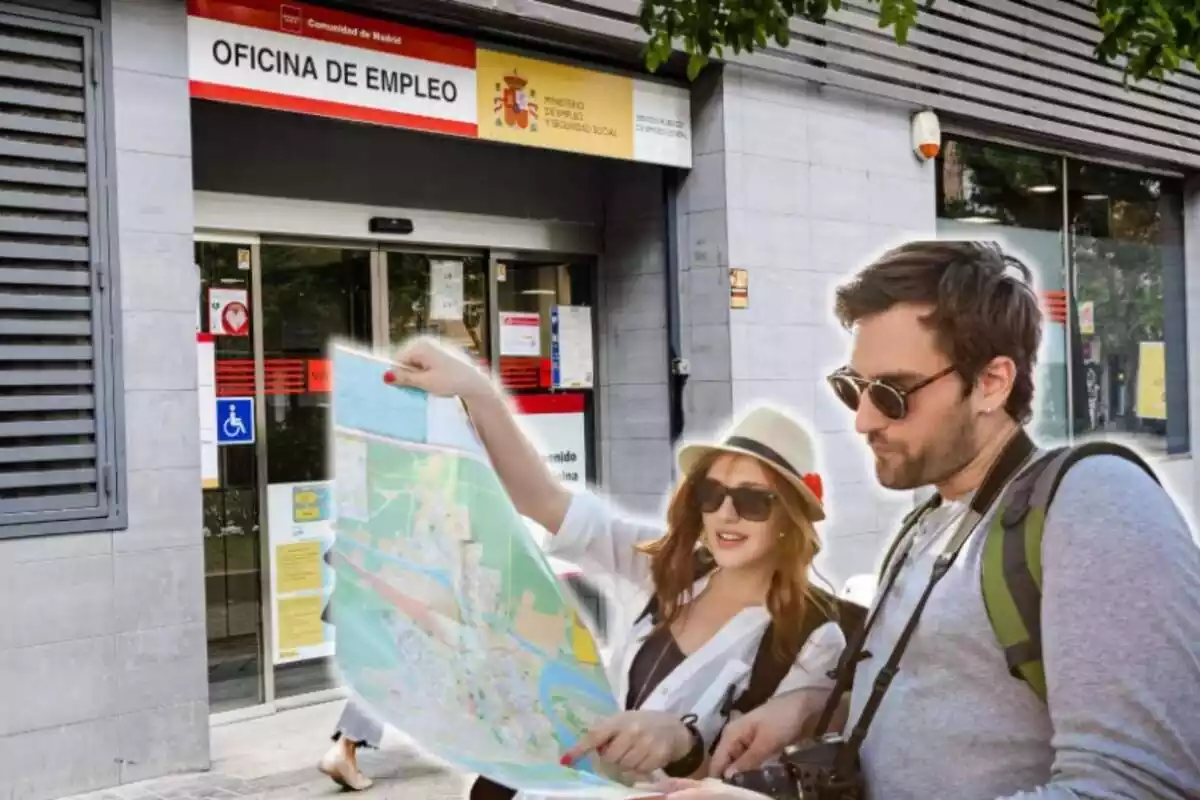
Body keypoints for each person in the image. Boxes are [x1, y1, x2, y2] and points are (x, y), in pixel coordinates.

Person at [659, 239, 1200, 799]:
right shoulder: (928, 523)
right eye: (854, 388)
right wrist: (807, 709)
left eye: (892, 393)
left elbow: (1139, 787)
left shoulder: (1095, 505)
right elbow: (949, 705)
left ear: (991, 383)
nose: (864, 420)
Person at [318, 335, 854, 797]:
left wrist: (681, 742)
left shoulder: (812, 637)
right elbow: (544, 500)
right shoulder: (668, 566)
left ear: (791, 516)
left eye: (753, 500)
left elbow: (746, 780)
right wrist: (475, 391)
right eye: (711, 494)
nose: (726, 514)